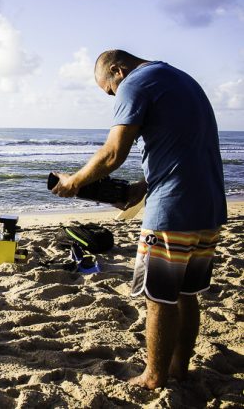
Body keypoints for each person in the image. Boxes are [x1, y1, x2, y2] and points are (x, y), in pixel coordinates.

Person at [51, 49, 227, 389]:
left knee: (159, 297)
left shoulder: (134, 83)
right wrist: (143, 186)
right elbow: (185, 147)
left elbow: (114, 152)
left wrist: (73, 182)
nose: (114, 97)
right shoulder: (180, 80)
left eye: (110, 90)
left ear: (117, 70)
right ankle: (178, 368)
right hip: (208, 208)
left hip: (172, 212)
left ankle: (154, 377)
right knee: (186, 295)